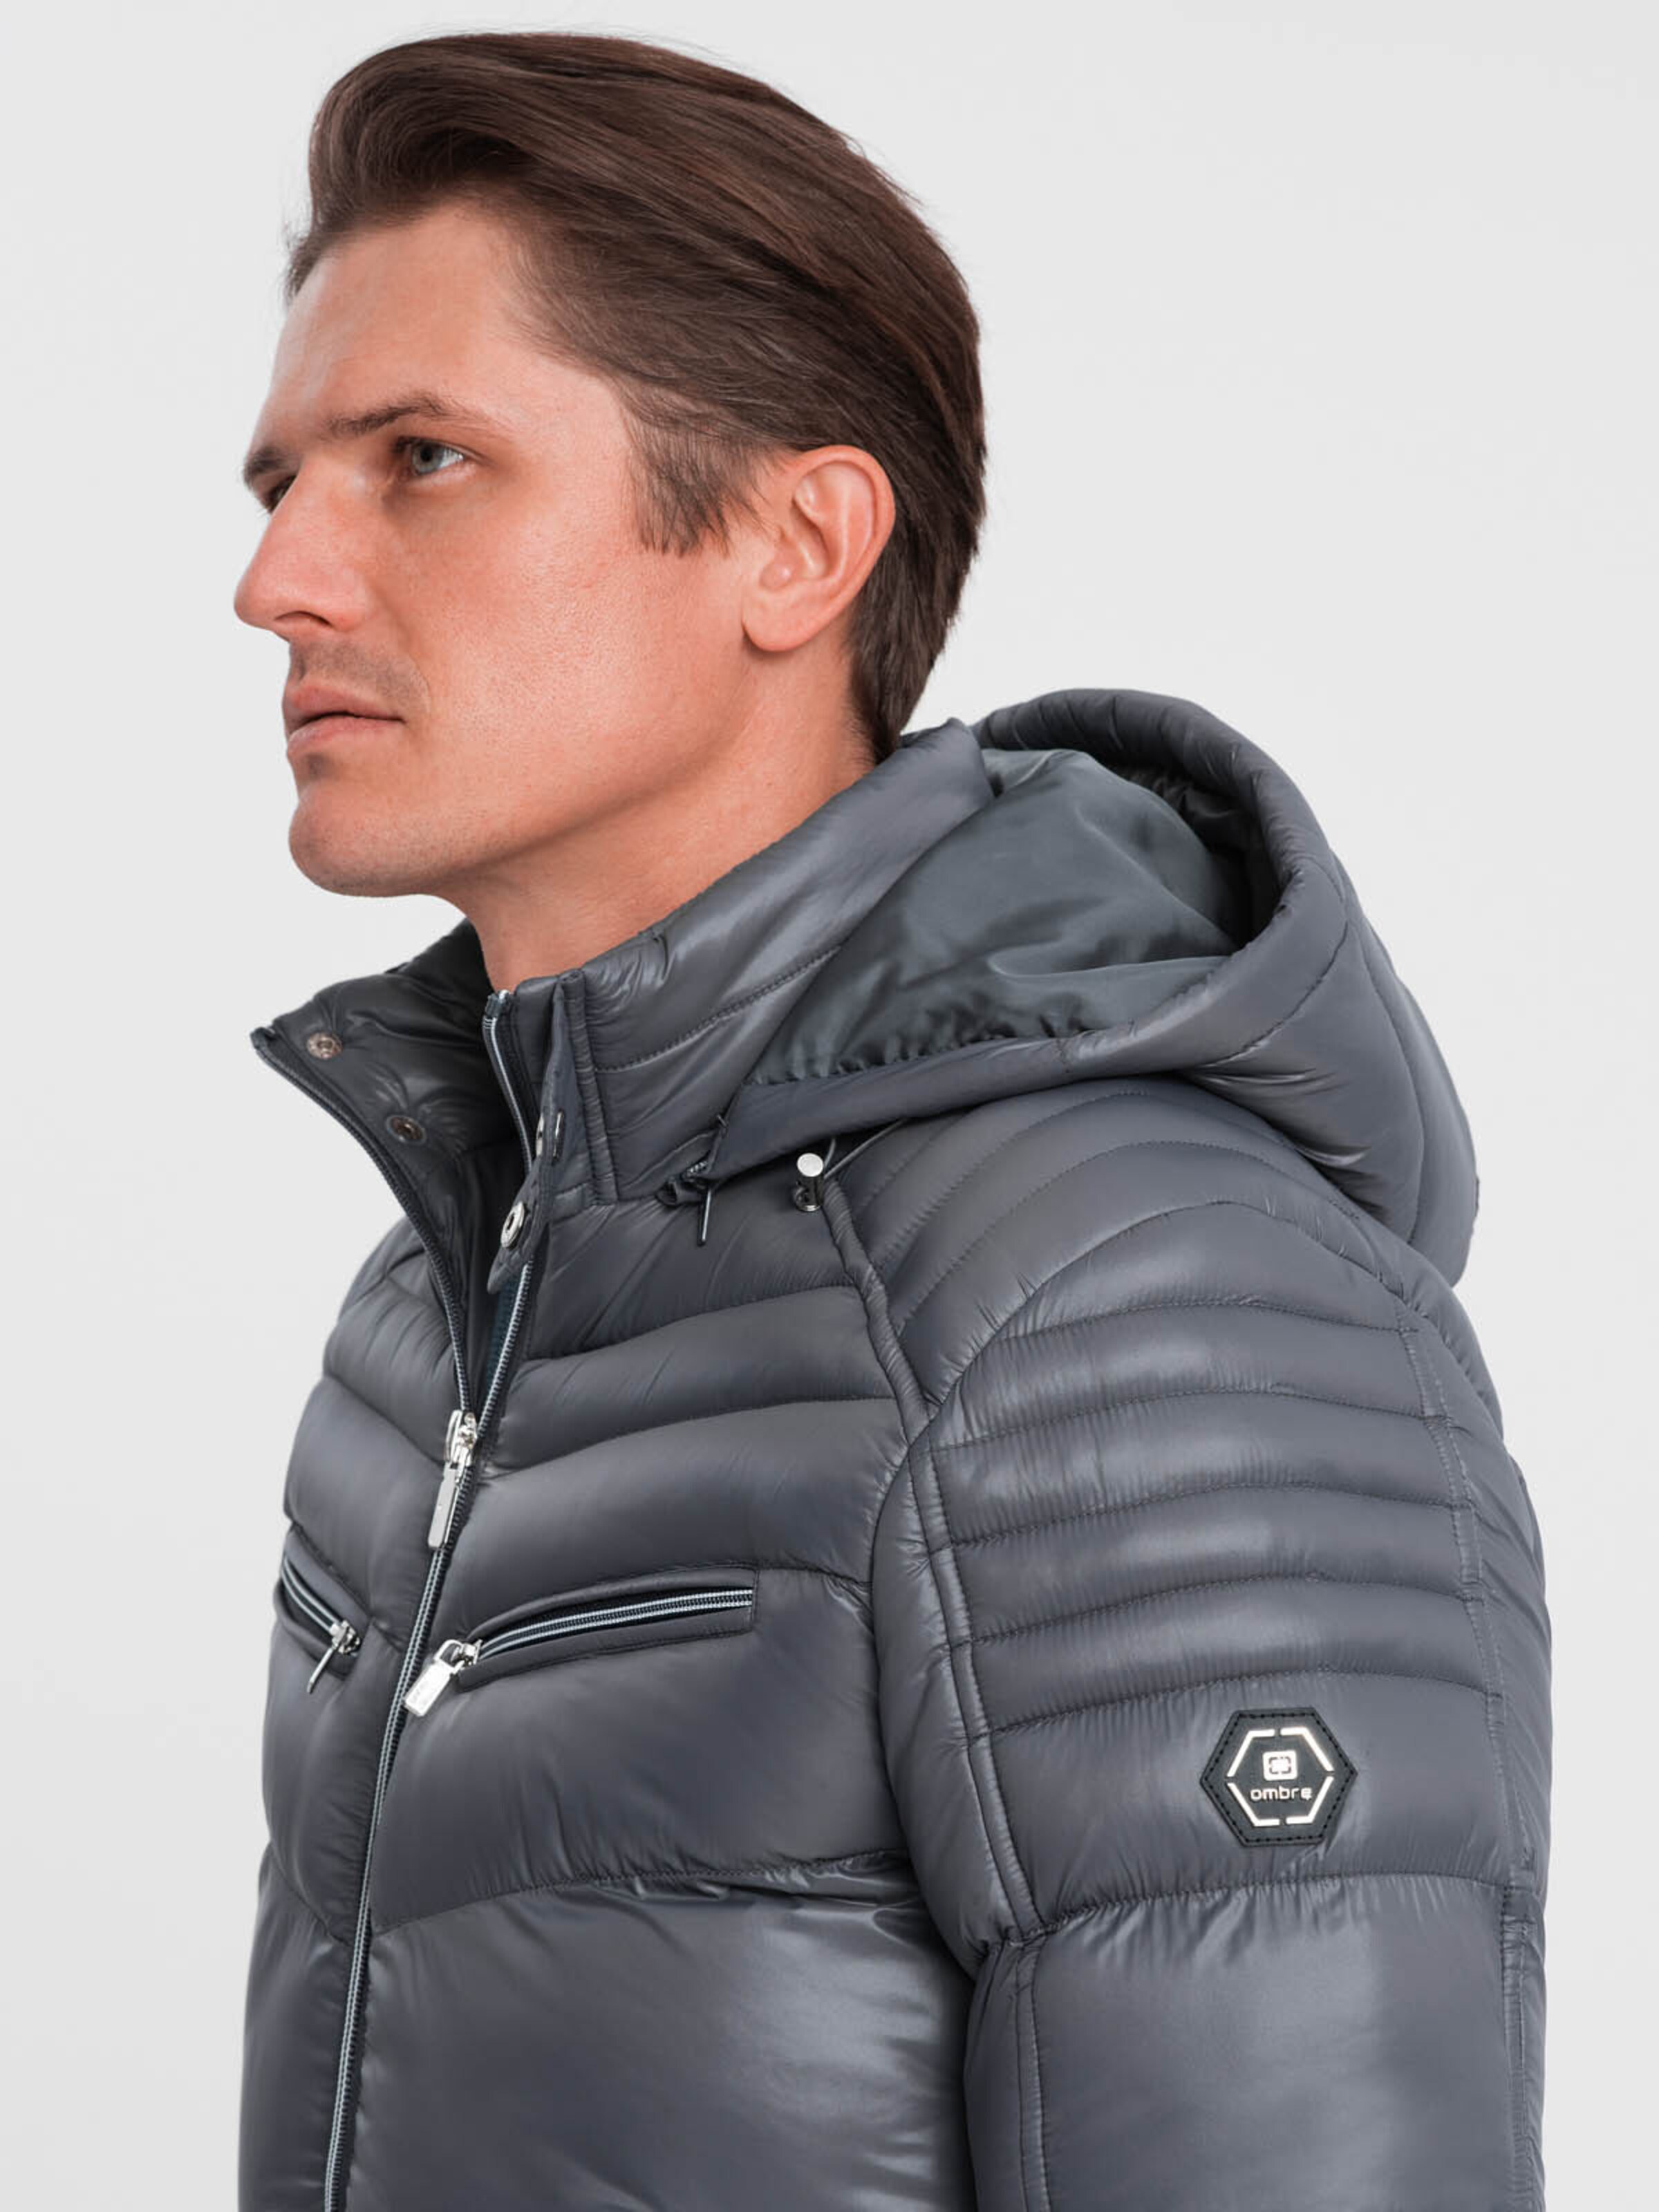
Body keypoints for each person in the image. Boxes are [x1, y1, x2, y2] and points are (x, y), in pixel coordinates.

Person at [234, 30, 1551, 2212]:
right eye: (280, 484)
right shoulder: (451, 1282)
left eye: (423, 459)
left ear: (797, 542)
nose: (282, 579)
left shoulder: (1136, 1305)